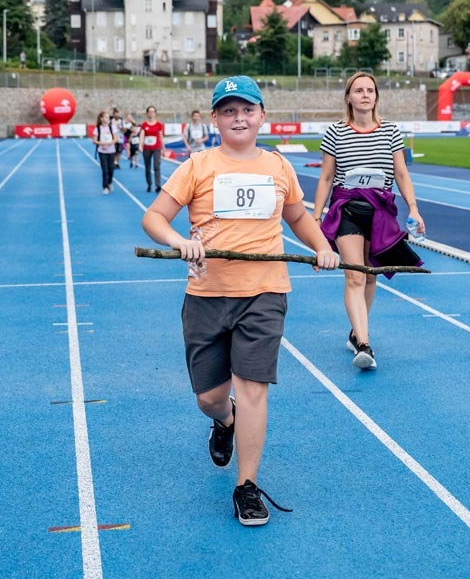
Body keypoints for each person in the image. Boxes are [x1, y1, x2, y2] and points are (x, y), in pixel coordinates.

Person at [141, 75, 339, 527]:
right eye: (229, 110)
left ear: (261, 116)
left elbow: (298, 218)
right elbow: (154, 217)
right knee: (210, 397)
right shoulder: (197, 165)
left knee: (252, 389)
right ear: (215, 118)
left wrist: (322, 247)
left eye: (247, 109)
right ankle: (224, 421)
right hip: (207, 296)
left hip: (264, 293)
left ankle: (246, 486)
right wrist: (178, 241)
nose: (239, 118)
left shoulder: (278, 167)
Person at [312, 72, 425, 371]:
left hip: (380, 212)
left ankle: (355, 331)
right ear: (348, 97)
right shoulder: (335, 132)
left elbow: (401, 174)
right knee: (355, 276)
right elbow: (326, 177)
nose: (365, 95)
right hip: (347, 209)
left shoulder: (391, 132)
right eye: (359, 90)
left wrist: (414, 209)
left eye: (370, 90)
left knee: (371, 276)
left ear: (376, 97)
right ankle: (364, 343)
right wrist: (316, 217)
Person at [91, 111, 118, 194]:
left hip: (111, 151)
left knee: (111, 169)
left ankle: (110, 182)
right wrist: (101, 143)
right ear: (101, 118)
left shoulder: (112, 127)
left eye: (108, 117)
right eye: (105, 117)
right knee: (104, 170)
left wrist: (109, 143)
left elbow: (116, 139)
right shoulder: (98, 129)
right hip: (102, 151)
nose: (107, 119)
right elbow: (94, 140)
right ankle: (105, 187)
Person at [140, 105, 164, 193]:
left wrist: (163, 148)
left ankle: (158, 185)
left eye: (153, 111)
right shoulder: (144, 124)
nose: (151, 113)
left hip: (156, 148)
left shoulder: (159, 125)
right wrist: (140, 145)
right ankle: (149, 184)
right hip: (147, 148)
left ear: (155, 113)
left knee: (157, 166)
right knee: (147, 167)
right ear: (147, 113)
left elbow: (161, 136)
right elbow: (142, 135)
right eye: (149, 111)